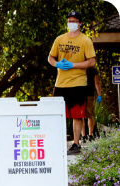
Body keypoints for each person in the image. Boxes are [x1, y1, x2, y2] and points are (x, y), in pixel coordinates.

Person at [48, 11, 96, 155]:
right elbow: (50, 57)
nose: (72, 23)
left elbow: (92, 61)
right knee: (57, 114)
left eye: (75, 20)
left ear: (80, 23)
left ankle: (76, 144)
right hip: (60, 83)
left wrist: (73, 65)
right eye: (70, 20)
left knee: (77, 115)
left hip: (78, 83)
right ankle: (57, 142)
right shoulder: (59, 39)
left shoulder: (85, 41)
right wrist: (57, 64)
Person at [81, 67, 102, 143]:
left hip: (79, 94)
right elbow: (96, 82)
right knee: (90, 115)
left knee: (81, 116)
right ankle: (90, 136)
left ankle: (83, 136)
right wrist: (99, 95)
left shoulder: (78, 67)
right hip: (90, 95)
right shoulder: (93, 69)